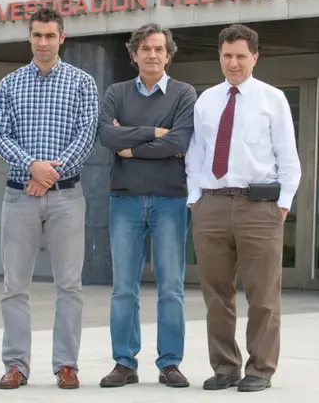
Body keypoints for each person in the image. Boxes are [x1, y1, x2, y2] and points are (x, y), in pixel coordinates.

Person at [185, 23, 301, 393]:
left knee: (262, 295)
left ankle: (260, 370)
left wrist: (282, 205)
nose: (233, 63)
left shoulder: (273, 99)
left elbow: (289, 159)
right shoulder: (206, 100)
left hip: (258, 207)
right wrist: (195, 200)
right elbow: (195, 155)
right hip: (212, 205)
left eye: (240, 56)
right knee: (216, 294)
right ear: (219, 56)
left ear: (255, 57)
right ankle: (225, 367)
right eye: (227, 56)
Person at [0, 6, 99, 390]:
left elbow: (86, 136)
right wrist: (32, 166)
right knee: (14, 285)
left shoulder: (83, 83)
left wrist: (49, 174)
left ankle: (66, 364)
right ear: (29, 37)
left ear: (62, 38)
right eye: (37, 35)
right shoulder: (9, 84)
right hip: (19, 197)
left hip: (67, 198)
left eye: (50, 35)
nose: (43, 42)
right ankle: (15, 365)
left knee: (69, 285)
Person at [96, 23, 196, 388]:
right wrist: (154, 132)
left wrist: (131, 145)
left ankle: (170, 363)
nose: (152, 54)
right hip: (125, 199)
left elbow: (180, 140)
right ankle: (124, 362)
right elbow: (106, 134)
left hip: (171, 199)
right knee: (124, 286)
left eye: (158, 49)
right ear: (134, 54)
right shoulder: (116, 92)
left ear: (169, 55)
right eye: (145, 49)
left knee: (171, 285)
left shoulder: (184, 94)